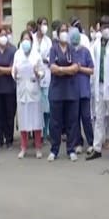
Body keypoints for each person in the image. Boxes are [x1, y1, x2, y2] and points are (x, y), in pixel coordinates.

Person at [86, 16, 109, 162]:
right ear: (100, 28)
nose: (106, 28)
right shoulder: (96, 43)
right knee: (98, 118)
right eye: (104, 26)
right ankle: (97, 148)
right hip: (99, 85)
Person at [48, 22, 80, 162]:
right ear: (57, 33)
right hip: (56, 91)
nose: (64, 33)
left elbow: (76, 68)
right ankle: (54, 150)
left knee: (72, 121)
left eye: (66, 31)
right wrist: (65, 70)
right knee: (55, 122)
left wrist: (61, 69)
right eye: (62, 31)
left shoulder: (72, 49)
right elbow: (52, 68)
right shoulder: (53, 49)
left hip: (71, 91)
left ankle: (71, 149)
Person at [13, 30, 44, 159]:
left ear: (31, 41)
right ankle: (23, 147)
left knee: (36, 121)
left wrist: (38, 73)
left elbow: (42, 72)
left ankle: (38, 147)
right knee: (23, 121)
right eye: (24, 39)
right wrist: (14, 73)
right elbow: (13, 71)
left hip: (33, 90)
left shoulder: (36, 55)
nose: (26, 42)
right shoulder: (17, 54)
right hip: (22, 90)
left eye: (28, 39)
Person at [70, 28, 94, 155]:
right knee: (74, 119)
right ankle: (78, 142)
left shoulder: (85, 52)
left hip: (84, 90)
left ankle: (91, 142)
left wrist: (80, 69)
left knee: (86, 117)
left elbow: (91, 70)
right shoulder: (69, 52)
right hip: (72, 90)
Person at [0, 25, 17, 149]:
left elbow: (12, 69)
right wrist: (3, 70)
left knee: (9, 114)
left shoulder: (13, 51)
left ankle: (9, 139)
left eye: (5, 35)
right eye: (1, 35)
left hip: (10, 88)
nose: (3, 37)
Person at [34, 17, 52, 141]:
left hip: (46, 73)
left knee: (47, 105)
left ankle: (47, 131)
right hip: (34, 74)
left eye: (47, 24)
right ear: (38, 25)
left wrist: (47, 60)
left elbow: (52, 56)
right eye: (43, 24)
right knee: (36, 105)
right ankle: (37, 132)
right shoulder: (32, 38)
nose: (45, 26)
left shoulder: (48, 41)